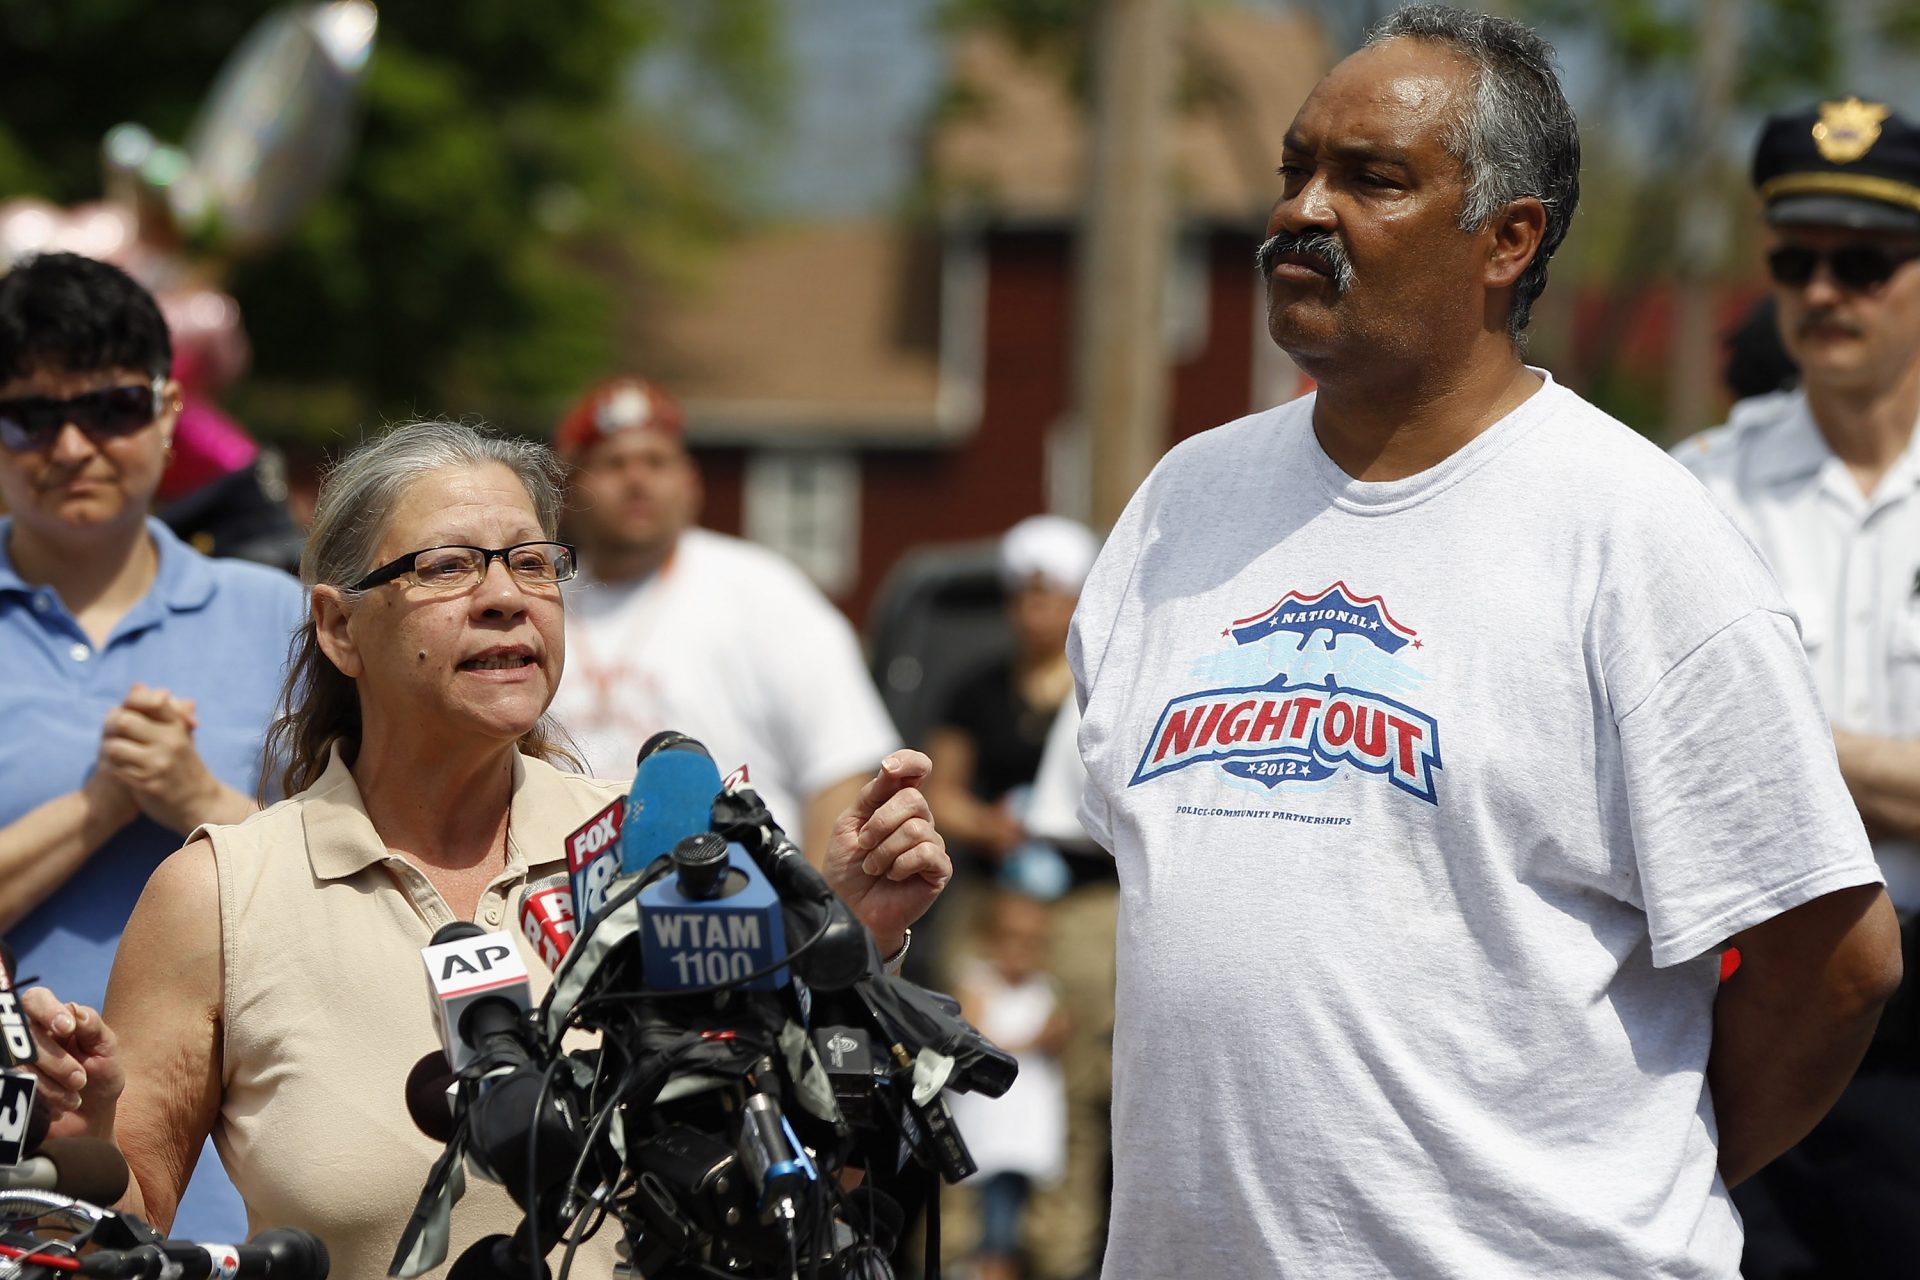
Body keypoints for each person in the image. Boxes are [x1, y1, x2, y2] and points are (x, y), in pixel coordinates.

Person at [1067, 7, 1901, 1276]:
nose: (1303, 209)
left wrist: (1614, 1180)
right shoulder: (1182, 503)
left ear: (1508, 238)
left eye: (1372, 179)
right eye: (1297, 168)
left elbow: (1832, 957)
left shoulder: (1638, 530)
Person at [19, 421, 950, 1280]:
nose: (505, 598)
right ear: (342, 629)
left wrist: (846, 951)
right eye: (450, 567)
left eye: (533, 563)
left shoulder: (665, 854)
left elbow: (797, 1176)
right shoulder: (220, 892)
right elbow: (123, 1230)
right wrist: (79, 1135)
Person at [0, 252, 305, 1238]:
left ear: (172, 412)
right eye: (30, 416)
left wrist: (202, 802)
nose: (74, 443)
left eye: (114, 406)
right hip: (21, 1172)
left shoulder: (285, 619)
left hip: (245, 1175)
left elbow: (371, 886)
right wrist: (100, 805)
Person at [1671, 99, 1920, 1279]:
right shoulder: (1695, 490)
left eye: (1865, 262)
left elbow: (1731, 765)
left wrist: (1781, 752)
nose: (1826, 291)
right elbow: (1668, 766)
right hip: (1753, 1005)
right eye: (1798, 259)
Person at [545, 377, 902, 861]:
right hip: (571, 915)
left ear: (690, 481)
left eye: (656, 461)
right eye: (612, 463)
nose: (636, 480)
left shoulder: (764, 591)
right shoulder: (538, 598)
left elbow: (839, 771)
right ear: (569, 487)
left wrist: (816, 918)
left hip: (742, 912)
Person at [946, 889, 1069, 1280]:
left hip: (1026, 1130)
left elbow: (1060, 1041)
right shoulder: (976, 983)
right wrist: (1035, 1039)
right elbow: (980, 1040)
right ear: (989, 938)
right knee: (977, 1226)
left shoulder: (1047, 989)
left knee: (1014, 1227)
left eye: (1033, 942)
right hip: (986, 1129)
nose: (1021, 951)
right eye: (1010, 938)